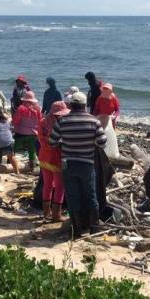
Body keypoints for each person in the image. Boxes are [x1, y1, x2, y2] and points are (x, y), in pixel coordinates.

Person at [49, 91, 107, 237]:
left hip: (68, 164)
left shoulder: (62, 121)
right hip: (87, 164)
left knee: (73, 196)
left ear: (71, 105)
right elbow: (102, 142)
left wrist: (64, 144)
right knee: (91, 196)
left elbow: (52, 141)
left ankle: (77, 230)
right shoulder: (94, 121)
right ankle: (94, 228)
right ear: (85, 105)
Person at [38, 101, 70, 221]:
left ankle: (46, 213)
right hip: (56, 157)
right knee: (59, 186)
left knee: (47, 185)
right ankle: (56, 215)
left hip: (44, 155)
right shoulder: (61, 124)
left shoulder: (42, 122)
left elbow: (40, 139)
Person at [12, 91, 42, 170]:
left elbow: (15, 121)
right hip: (34, 133)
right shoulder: (38, 108)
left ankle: (11, 163)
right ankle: (32, 166)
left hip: (21, 133)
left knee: (14, 148)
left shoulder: (21, 108)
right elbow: (40, 120)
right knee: (32, 150)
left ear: (25, 100)